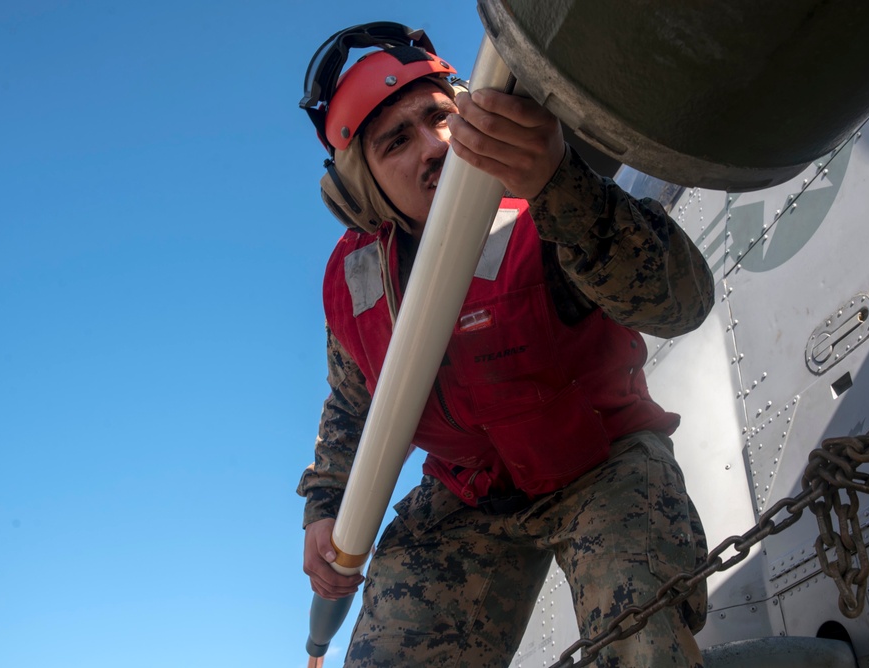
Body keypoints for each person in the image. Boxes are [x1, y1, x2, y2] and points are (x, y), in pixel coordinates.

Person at [296, 22, 715, 668]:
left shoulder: (546, 202)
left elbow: (682, 300)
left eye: (439, 117)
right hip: (469, 495)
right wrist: (325, 506)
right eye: (396, 142)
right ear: (364, 188)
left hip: (598, 464)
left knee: (646, 647)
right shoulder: (355, 284)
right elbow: (353, 404)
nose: (434, 148)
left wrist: (560, 186)